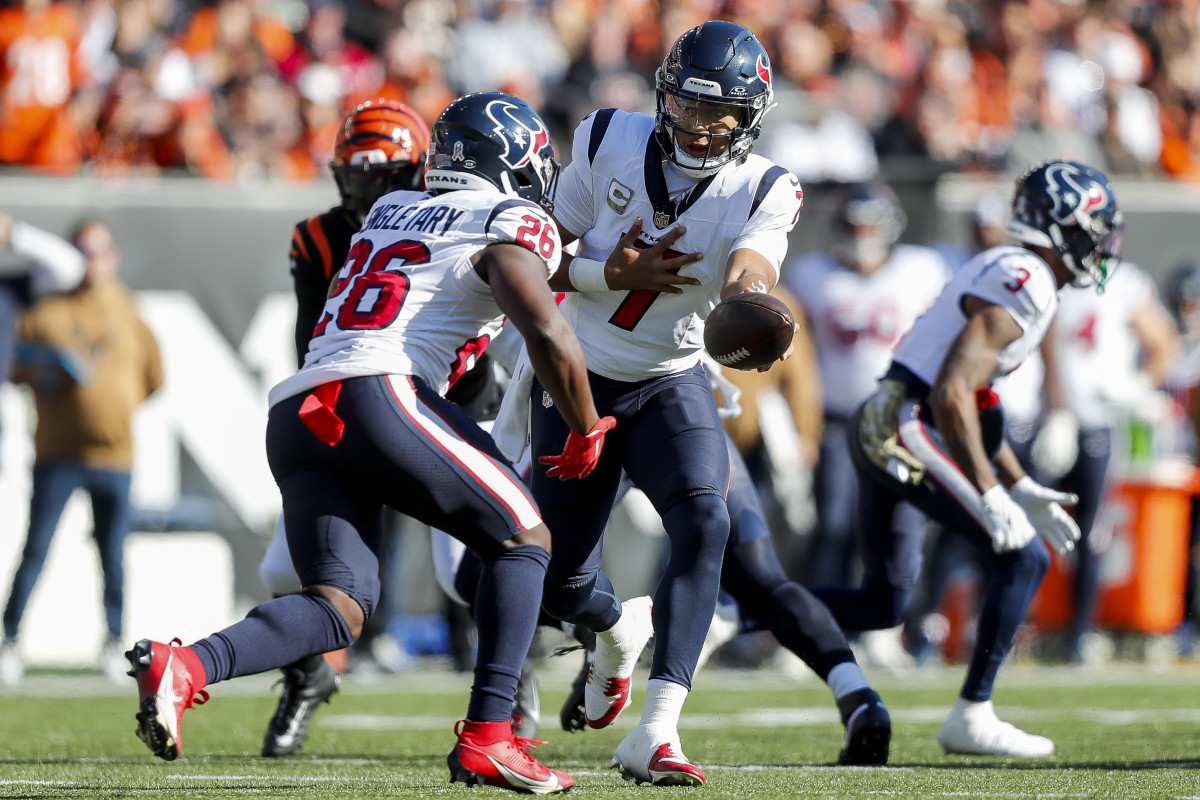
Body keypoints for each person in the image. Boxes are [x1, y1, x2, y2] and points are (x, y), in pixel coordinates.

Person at [127, 91, 614, 797]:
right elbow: (545, 327)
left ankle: (189, 666)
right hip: (382, 391)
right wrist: (585, 422)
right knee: (521, 536)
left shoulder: (390, 209)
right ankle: (491, 737)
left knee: (338, 605)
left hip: (301, 411)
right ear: (510, 161)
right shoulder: (510, 216)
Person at [498, 20, 840, 785]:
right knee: (560, 578)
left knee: (704, 519)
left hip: (670, 378)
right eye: (686, 105)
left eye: (718, 114)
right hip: (577, 374)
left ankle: (656, 730)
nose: (699, 124)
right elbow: (538, 259)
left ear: (750, 117)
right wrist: (606, 276)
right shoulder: (603, 136)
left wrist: (748, 301)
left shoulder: (766, 186)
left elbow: (754, 268)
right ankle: (620, 631)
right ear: (663, 96)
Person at [812, 159, 1123, 756]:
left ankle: (741, 607)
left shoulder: (1018, 272)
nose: (1101, 243)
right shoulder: (1025, 275)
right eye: (1094, 228)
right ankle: (972, 713)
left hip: (899, 418)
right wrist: (989, 491)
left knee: (885, 603)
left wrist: (1018, 484)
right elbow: (952, 391)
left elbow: (973, 400)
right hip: (906, 423)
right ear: (1062, 225)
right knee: (1024, 554)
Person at [255, 98, 431, 758]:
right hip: (352, 400)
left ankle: (510, 688)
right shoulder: (321, 235)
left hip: (445, 400)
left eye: (380, 177)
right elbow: (310, 340)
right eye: (354, 177)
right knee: (285, 569)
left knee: (469, 564)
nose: (365, 192)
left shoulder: (450, 222)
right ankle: (310, 675)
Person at [1, 220, 161, 685]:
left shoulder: (130, 310)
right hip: (57, 455)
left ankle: (114, 642)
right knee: (36, 549)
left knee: (112, 555)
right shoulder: (45, 311)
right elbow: (14, 365)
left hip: (116, 456)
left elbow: (153, 377)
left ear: (114, 256)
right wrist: (46, 376)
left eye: (100, 250)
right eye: (83, 251)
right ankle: (10, 639)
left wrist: (112, 406)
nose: (93, 261)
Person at [786, 182, 950, 591]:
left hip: (901, 419)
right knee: (836, 523)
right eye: (852, 225)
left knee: (899, 524)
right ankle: (824, 622)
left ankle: (890, 625)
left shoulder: (920, 270)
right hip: (839, 422)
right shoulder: (811, 276)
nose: (861, 235)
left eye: (869, 226)